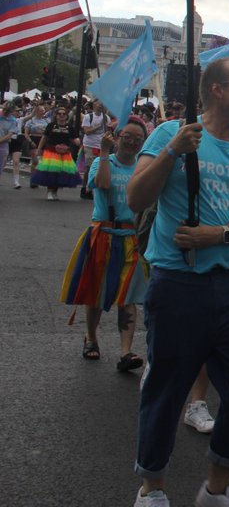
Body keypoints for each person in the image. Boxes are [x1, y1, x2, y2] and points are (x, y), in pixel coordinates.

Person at [126, 58, 229, 507]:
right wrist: (174, 150)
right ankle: (151, 488)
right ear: (216, 90)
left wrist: (221, 235)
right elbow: (136, 196)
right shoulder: (171, 134)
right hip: (178, 285)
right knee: (166, 389)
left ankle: (216, 487)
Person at [60, 119, 149, 369]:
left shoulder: (142, 168)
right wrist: (106, 152)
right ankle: (91, 338)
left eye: (137, 139)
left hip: (132, 238)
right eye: (127, 137)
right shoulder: (102, 162)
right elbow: (103, 184)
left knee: (128, 295)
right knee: (97, 292)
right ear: (117, 137)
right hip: (104, 235)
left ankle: (126, 352)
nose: (131, 142)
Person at [30, 104, 81, 199]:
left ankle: (55, 191)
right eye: (59, 114)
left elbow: (74, 139)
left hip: (64, 153)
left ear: (66, 116)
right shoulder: (51, 125)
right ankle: (49, 192)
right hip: (52, 152)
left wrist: (77, 141)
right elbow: (44, 138)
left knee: (60, 173)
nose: (61, 115)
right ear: (56, 115)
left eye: (64, 114)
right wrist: (39, 149)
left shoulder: (69, 127)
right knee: (51, 172)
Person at [79, 99, 111, 198]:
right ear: (94, 105)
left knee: (99, 167)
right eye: (99, 104)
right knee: (89, 167)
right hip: (90, 144)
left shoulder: (106, 118)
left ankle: (92, 188)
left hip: (101, 145)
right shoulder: (88, 117)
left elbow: (108, 131)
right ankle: (85, 188)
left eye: (102, 104)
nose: (101, 106)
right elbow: (87, 131)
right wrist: (98, 126)